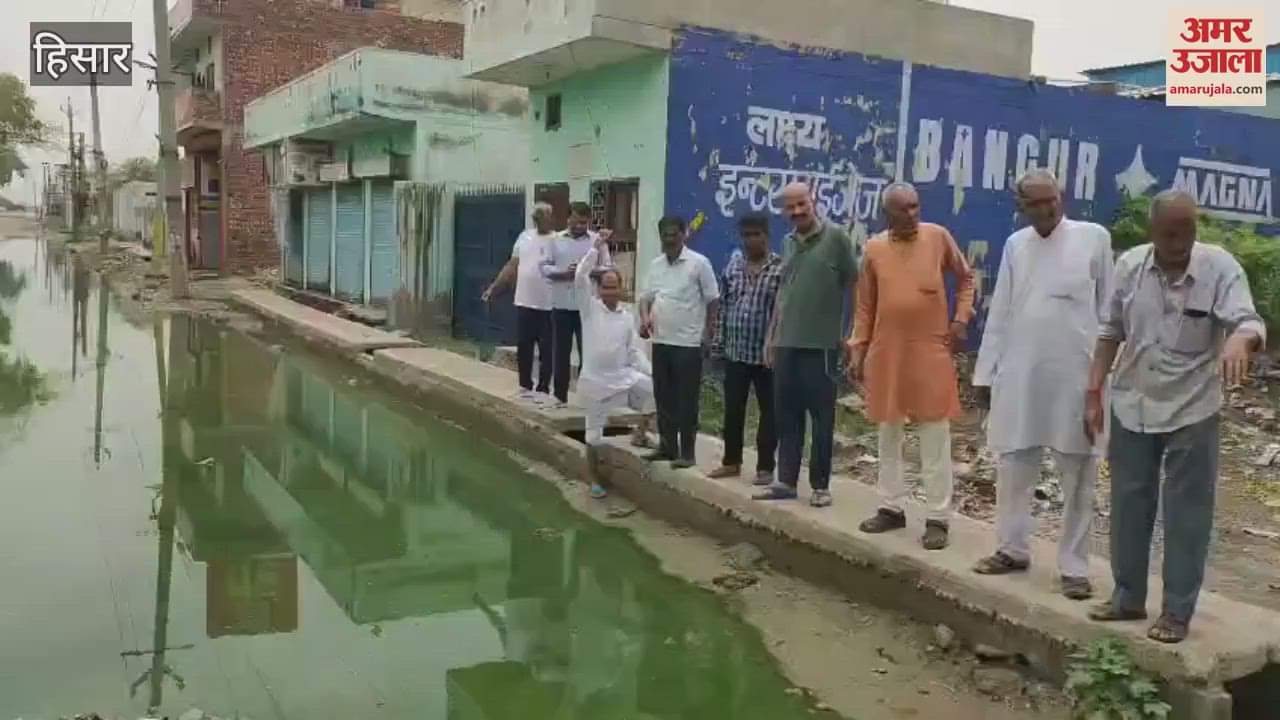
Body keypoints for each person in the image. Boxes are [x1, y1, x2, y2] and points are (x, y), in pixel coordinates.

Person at [1085, 189, 1265, 644]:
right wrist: (1093, 391)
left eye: (1187, 231)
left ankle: (1177, 613)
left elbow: (1248, 321)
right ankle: (1127, 597)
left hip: (1193, 406)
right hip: (1132, 401)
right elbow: (1110, 332)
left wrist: (1239, 342)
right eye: (1169, 233)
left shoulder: (1219, 266)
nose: (1179, 241)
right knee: (1129, 503)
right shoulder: (1129, 267)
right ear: (1152, 232)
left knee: (1187, 514)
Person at [970, 169, 1113, 599]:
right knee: (1014, 466)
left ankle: (1074, 568)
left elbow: (1111, 313)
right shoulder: (1017, 246)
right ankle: (1011, 549)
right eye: (1036, 203)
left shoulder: (1094, 238)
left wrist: (1104, 379)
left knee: (1079, 475)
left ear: (1061, 196)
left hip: (1077, 378)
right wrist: (985, 372)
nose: (1047, 208)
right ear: (1022, 208)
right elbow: (1002, 313)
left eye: (1052, 199)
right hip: (1022, 375)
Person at [852, 182, 974, 549]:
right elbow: (864, 306)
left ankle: (938, 517)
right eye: (902, 209)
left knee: (934, 433)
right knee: (889, 432)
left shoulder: (937, 237)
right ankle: (891, 508)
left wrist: (961, 318)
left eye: (915, 206)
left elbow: (965, 277)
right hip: (887, 351)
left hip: (930, 350)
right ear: (886, 214)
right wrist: (857, 349)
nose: (911, 214)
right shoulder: (873, 249)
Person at [754, 183, 858, 508]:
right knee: (787, 415)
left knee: (822, 418)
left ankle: (820, 486)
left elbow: (855, 285)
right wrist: (771, 338)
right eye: (790, 207)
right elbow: (784, 294)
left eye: (802, 204)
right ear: (784, 211)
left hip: (822, 346)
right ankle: (785, 481)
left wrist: (851, 332)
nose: (797, 211)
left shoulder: (837, 238)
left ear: (813, 201)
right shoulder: (786, 243)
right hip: (786, 344)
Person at [576, 231, 655, 498]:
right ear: (599, 289)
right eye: (606, 286)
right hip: (596, 383)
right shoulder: (589, 309)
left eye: (615, 286)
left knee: (653, 393)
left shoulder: (626, 315)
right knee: (594, 437)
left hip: (622, 377)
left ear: (621, 288)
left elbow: (634, 351)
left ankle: (640, 434)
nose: (611, 291)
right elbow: (579, 277)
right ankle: (594, 480)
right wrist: (595, 247)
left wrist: (650, 372)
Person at [638, 216, 720, 469]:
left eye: (674, 234)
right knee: (663, 397)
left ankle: (687, 453)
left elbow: (713, 300)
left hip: (688, 343)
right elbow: (646, 298)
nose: (669, 239)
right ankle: (667, 446)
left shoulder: (699, 264)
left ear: (684, 234)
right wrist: (644, 320)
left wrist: (708, 335)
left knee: (686, 400)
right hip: (661, 341)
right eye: (665, 234)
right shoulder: (656, 265)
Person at [709, 213, 783, 485]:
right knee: (733, 410)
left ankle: (765, 467)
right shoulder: (733, 267)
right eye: (746, 235)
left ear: (766, 235)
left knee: (769, 412)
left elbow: (782, 312)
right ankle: (731, 461)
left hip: (767, 357)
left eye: (756, 234)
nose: (751, 240)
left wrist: (776, 347)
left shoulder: (779, 268)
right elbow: (724, 307)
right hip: (736, 352)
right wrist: (718, 344)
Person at [482, 203, 556, 403]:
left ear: (550, 217)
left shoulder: (557, 240)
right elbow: (511, 266)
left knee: (547, 349)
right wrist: (494, 288)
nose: (539, 219)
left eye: (543, 216)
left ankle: (543, 389)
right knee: (524, 346)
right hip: (525, 301)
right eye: (536, 216)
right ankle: (525, 386)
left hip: (549, 305)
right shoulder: (524, 237)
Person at [542, 202, 613, 408]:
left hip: (588, 307)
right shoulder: (555, 240)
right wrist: (564, 273)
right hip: (561, 304)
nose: (581, 226)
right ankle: (560, 397)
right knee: (560, 353)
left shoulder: (597, 241)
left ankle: (586, 397)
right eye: (576, 221)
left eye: (584, 222)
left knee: (588, 354)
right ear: (568, 219)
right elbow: (544, 268)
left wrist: (584, 271)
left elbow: (608, 268)